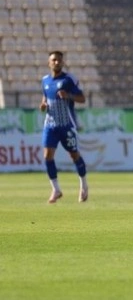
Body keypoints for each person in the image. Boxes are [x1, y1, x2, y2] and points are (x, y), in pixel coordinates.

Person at [39, 51, 88, 203]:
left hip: (67, 125)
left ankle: (84, 185)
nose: (56, 62)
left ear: (63, 62)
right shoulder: (45, 81)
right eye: (54, 60)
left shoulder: (68, 79)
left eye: (59, 60)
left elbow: (82, 98)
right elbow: (45, 99)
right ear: (49, 63)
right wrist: (42, 105)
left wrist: (69, 96)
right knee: (47, 156)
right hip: (50, 125)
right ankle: (56, 189)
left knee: (74, 155)